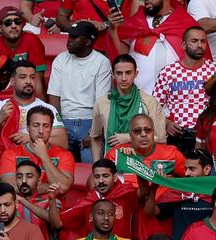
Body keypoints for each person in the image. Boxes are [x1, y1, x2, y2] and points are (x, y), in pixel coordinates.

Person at [47, 22, 110, 162]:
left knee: (92, 169)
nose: (69, 40)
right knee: (59, 166)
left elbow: (102, 103)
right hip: (64, 120)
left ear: (88, 41)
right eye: (69, 36)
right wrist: (58, 127)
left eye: (75, 37)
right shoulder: (60, 59)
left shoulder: (101, 62)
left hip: (89, 121)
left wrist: (94, 132)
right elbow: (54, 97)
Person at [151, 26, 216, 154]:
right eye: (194, 41)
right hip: (178, 135)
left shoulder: (215, 70)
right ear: (183, 45)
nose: (199, 45)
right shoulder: (168, 72)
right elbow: (153, 105)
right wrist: (166, 122)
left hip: (208, 133)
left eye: (203, 41)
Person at [90, 55, 167, 159]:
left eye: (128, 73)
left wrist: (129, 137)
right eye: (119, 73)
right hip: (111, 163)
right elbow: (95, 136)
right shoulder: (102, 103)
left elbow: (160, 139)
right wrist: (97, 165)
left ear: (136, 74)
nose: (124, 78)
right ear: (112, 75)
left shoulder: (149, 102)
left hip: (143, 163)